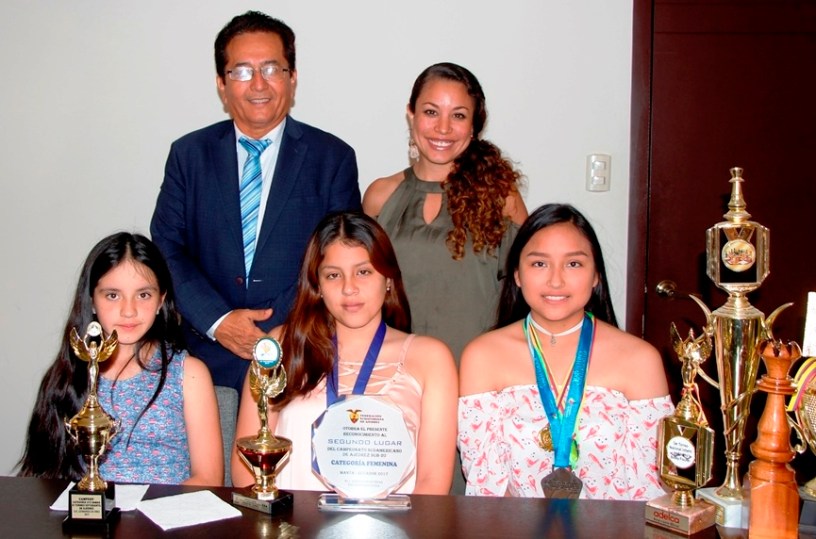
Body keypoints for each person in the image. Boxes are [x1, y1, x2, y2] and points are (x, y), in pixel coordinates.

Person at [150, 11, 361, 395]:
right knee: (207, 458)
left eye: (272, 68)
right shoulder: (188, 155)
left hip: (299, 352)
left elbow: (338, 257)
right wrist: (220, 321)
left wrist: (272, 329)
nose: (258, 84)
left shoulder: (332, 158)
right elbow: (167, 247)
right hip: (203, 359)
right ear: (221, 83)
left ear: (292, 77)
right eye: (242, 71)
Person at [232, 212, 458, 494]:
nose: (349, 288)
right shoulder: (281, 345)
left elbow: (433, 484)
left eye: (363, 272)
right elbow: (245, 471)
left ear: (388, 278)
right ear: (317, 285)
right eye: (333, 275)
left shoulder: (430, 358)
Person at [458, 204, 673, 500]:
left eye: (573, 264)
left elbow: (648, 486)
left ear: (596, 275)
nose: (556, 281)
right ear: (517, 275)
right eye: (539, 264)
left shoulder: (640, 359)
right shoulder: (482, 356)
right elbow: (486, 485)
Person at [18, 233, 223, 486]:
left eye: (143, 295)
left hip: (163, 520)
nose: (129, 310)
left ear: (161, 300)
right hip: (87, 520)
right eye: (113, 295)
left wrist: (145, 517)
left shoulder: (188, 373)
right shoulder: (65, 374)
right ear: (92, 300)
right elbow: (42, 475)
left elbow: (209, 478)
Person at [363, 62, 528, 364]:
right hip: (392, 373)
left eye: (459, 116)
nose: (443, 128)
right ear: (410, 114)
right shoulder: (379, 196)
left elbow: (526, 291)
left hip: (479, 373)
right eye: (431, 112)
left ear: (474, 126)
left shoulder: (502, 198)